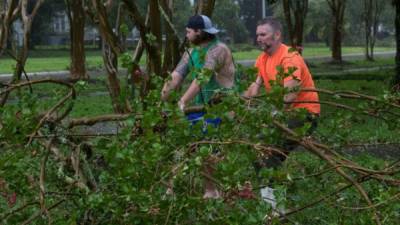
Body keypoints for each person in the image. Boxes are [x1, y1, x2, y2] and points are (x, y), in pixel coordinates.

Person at [243, 17, 320, 209]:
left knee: (268, 155)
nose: (258, 38)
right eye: (257, 34)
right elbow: (253, 88)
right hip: (281, 115)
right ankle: (273, 207)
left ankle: (274, 210)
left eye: (263, 34)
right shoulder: (262, 59)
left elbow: (289, 97)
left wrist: (267, 119)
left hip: (303, 115)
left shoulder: (290, 57)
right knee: (262, 154)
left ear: (277, 35)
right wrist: (238, 105)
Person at [161, 15, 235, 199]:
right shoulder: (190, 53)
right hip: (199, 109)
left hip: (221, 109)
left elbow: (203, 76)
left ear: (198, 32)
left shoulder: (218, 50)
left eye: (188, 32)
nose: (186, 35)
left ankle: (212, 192)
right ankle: (170, 190)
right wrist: (160, 100)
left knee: (209, 154)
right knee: (183, 146)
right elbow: (176, 76)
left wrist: (182, 101)